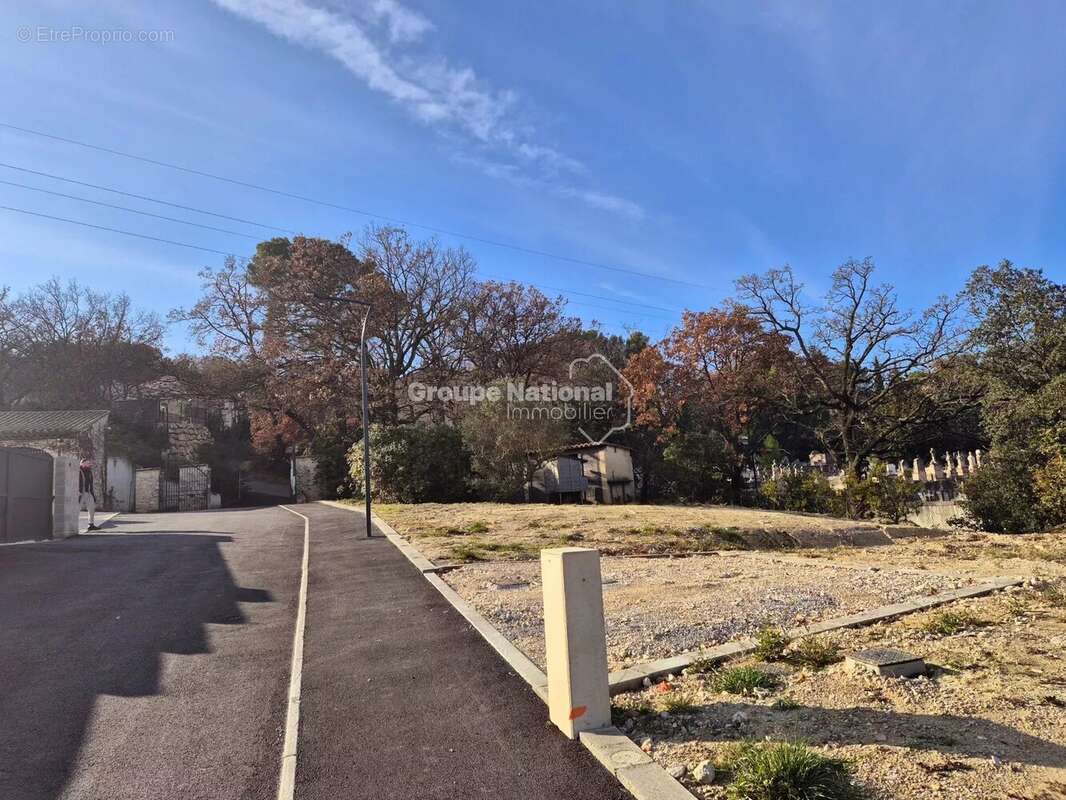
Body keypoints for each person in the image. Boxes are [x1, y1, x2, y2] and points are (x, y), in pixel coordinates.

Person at [79, 458, 99, 532]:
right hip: (80, 492)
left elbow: (91, 484)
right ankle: (74, 526)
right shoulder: (78, 471)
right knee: (77, 509)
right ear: (82, 463)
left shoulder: (89, 472)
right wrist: (78, 491)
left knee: (92, 508)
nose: (89, 464)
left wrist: (93, 495)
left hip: (88, 492)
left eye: (89, 463)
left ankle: (91, 524)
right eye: (87, 463)